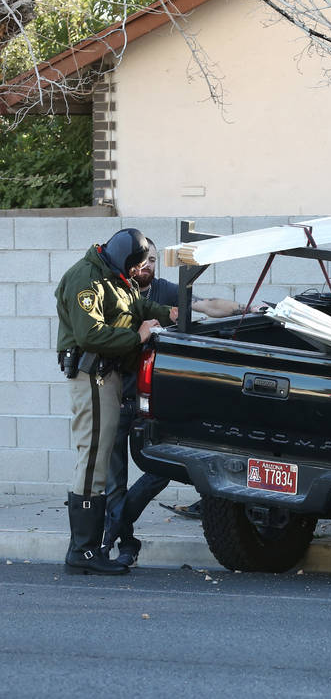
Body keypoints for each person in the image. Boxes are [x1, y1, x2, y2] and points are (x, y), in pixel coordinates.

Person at [101, 239, 264, 566]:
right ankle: (122, 542)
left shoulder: (163, 291)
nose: (146, 266)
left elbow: (207, 305)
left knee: (164, 466)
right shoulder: (113, 295)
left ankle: (117, 526)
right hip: (117, 397)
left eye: (152, 261)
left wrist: (247, 310)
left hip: (154, 402)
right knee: (113, 479)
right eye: (140, 261)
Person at [55, 229, 177, 574]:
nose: (140, 269)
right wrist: (137, 335)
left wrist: (172, 313)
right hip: (91, 376)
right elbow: (89, 334)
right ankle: (84, 552)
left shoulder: (115, 277)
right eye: (138, 263)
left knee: (95, 460)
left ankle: (86, 550)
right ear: (125, 258)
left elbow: (141, 306)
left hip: (107, 378)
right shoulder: (87, 278)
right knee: (93, 459)